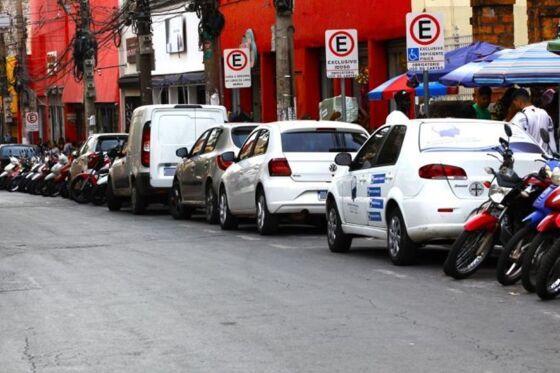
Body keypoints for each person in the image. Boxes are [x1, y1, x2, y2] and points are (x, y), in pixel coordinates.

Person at [510, 88, 557, 152]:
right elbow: (552, 141)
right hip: (546, 158)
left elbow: (514, 141)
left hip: (530, 158)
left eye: (514, 103)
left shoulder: (520, 117)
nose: (514, 105)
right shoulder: (545, 114)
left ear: (518, 101)